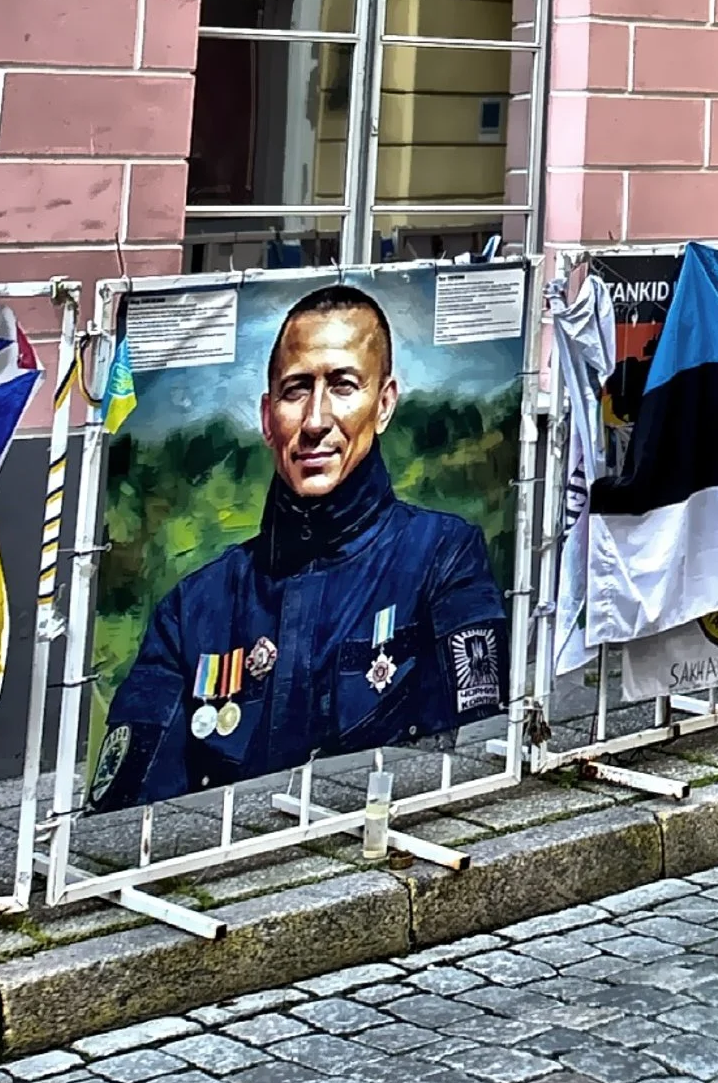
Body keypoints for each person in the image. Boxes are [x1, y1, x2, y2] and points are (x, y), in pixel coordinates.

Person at [89, 285, 509, 808]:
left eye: (343, 386)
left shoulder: (441, 559)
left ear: (384, 405)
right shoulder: (191, 610)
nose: (315, 421)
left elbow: (469, 768)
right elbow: (128, 819)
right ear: (268, 418)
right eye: (295, 391)